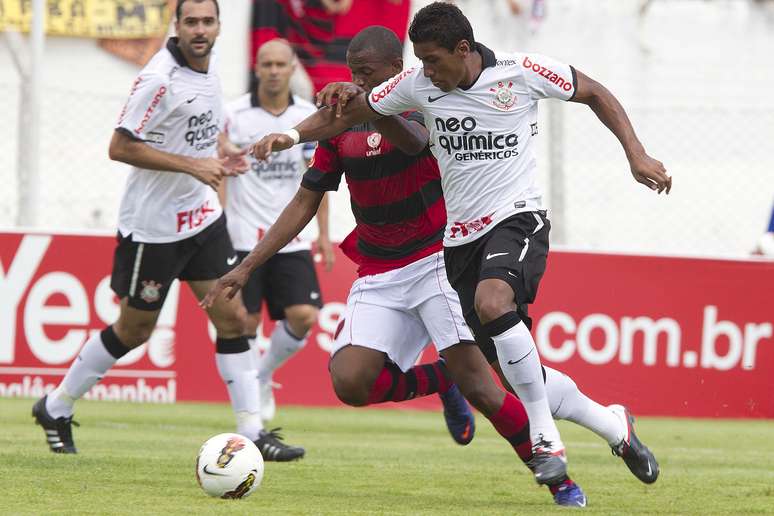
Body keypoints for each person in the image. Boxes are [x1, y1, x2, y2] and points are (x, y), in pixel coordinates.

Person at [225, 1, 672, 489]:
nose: (427, 71)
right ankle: (613, 425)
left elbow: (591, 91)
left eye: (432, 60)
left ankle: (549, 451)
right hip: (455, 244)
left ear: (462, 49)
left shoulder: (518, 72)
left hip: (507, 221)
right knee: (510, 373)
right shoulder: (415, 84)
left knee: (493, 315)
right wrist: (290, 135)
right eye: (421, 61)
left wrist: (637, 154)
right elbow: (348, 116)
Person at [31, 0, 304, 462]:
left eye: (208, 21)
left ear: (218, 26)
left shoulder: (214, 63)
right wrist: (192, 165)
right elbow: (120, 146)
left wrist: (224, 152)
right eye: (191, 22)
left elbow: (203, 126)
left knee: (233, 318)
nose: (200, 30)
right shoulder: (158, 79)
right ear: (176, 26)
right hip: (154, 228)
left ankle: (253, 431)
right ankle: (55, 406)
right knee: (135, 330)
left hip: (200, 219)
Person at [217, 39, 335, 430]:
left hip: (290, 237)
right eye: (265, 63)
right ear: (257, 67)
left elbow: (317, 179)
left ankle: (262, 377)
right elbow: (222, 171)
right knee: (245, 323)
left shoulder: (307, 117)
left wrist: (323, 233)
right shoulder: (233, 114)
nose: (272, 70)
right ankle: (251, 401)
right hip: (241, 235)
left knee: (304, 316)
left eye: (279, 64)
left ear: (291, 67)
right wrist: (219, 219)